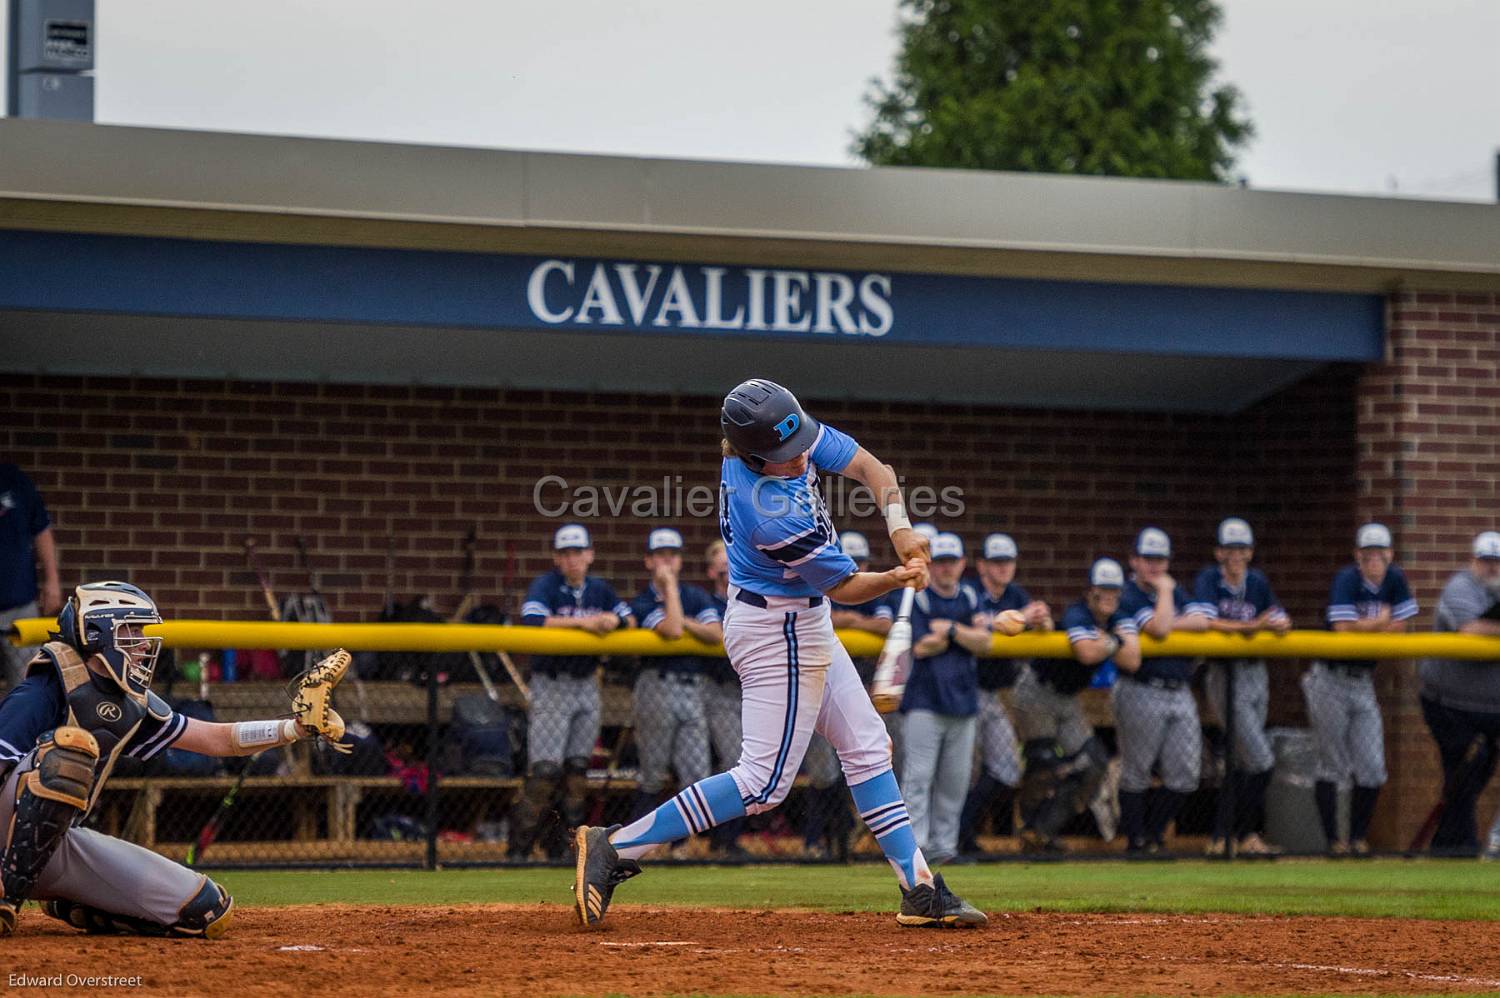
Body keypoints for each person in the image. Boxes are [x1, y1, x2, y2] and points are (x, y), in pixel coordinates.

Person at [573, 378, 984, 929]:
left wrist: (901, 529)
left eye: (798, 448)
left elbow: (873, 470)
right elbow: (848, 588)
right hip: (776, 629)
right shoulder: (767, 512)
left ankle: (920, 889)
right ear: (750, 453)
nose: (799, 461)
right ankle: (616, 847)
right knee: (763, 784)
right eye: (783, 457)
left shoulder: (785, 435)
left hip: (802, 618)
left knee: (867, 746)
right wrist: (896, 576)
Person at [0, 581, 348, 937]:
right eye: (130, 630)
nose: (143, 642)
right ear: (97, 633)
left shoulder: (129, 703)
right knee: (70, 751)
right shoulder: (44, 688)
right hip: (4, 827)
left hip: (50, 846)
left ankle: (70, 898)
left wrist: (296, 728)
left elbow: (216, 740)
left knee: (204, 908)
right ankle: (5, 898)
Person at [512, 524, 633, 859]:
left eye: (578, 552)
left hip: (586, 685)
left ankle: (565, 849)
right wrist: (586, 623)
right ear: (556, 558)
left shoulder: (599, 590)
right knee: (546, 772)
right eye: (565, 553)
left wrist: (612, 620)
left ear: (590, 555)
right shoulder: (546, 585)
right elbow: (534, 620)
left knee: (577, 772)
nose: (572, 559)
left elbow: (629, 619)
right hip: (552, 683)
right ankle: (518, 848)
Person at [1305, 522, 1418, 856]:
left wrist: (1366, 627)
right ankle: (1333, 842)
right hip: (1330, 677)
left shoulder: (1396, 578)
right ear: (1358, 556)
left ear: (1390, 555)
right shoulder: (1347, 579)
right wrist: (1380, 624)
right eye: (1368, 554)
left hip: (1363, 681)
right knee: (1332, 763)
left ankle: (1356, 838)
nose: (1374, 561)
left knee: (1371, 766)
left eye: (1380, 554)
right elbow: (1342, 629)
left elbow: (1403, 627)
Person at [1013, 558, 1137, 852]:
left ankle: (1041, 831)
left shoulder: (1119, 617)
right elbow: (1085, 652)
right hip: (1037, 690)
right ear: (1090, 591)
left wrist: (1106, 643)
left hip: (1068, 699)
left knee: (1094, 763)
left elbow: (1133, 660)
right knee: (1043, 763)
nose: (1107, 597)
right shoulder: (1077, 613)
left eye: (1113, 591)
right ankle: (1026, 829)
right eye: (1101, 590)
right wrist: (1113, 643)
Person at [1186, 518, 1292, 857]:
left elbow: (1277, 616)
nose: (1235, 556)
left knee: (1241, 760)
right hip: (1223, 673)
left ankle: (1224, 837)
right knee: (1259, 759)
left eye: (1241, 549)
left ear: (1250, 553)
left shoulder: (1256, 582)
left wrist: (1277, 622)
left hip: (1254, 673)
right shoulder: (1208, 579)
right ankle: (1243, 834)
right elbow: (1205, 623)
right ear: (1219, 553)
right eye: (1229, 549)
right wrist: (1251, 626)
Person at [1115, 527, 1209, 854]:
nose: (1155, 566)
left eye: (1160, 559)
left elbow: (1201, 621)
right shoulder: (1128, 594)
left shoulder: (1175, 592)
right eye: (1147, 559)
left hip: (1179, 690)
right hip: (1142, 688)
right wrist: (1166, 597)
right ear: (1134, 561)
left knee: (1185, 773)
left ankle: (1154, 834)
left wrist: (1168, 607)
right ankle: (1136, 840)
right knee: (1137, 770)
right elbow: (1160, 628)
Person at [901, 532, 992, 866]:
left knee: (954, 782)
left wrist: (952, 631)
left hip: (964, 702)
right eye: (939, 563)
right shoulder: (919, 597)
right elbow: (922, 646)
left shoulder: (968, 596)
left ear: (962, 564)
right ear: (930, 565)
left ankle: (944, 848)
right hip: (924, 701)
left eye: (952, 562)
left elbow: (985, 643)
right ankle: (915, 849)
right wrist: (964, 636)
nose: (945, 569)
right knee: (919, 778)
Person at [958, 533, 1051, 856]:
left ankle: (961, 830)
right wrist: (1021, 618)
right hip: (964, 690)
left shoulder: (1015, 594)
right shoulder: (969, 590)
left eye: (1007, 562)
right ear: (982, 565)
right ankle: (958, 839)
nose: (1002, 568)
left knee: (1007, 768)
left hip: (996, 694)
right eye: (996, 562)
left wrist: (1039, 619)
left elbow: (1042, 627)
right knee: (963, 773)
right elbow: (987, 622)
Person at [802, 530, 894, 859]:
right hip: (819, 689)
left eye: (862, 561)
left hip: (861, 693)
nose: (857, 566)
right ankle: (817, 840)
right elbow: (825, 617)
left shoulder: (876, 596)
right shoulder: (821, 583)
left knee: (865, 763)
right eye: (851, 559)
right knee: (822, 773)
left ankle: (848, 842)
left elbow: (885, 625)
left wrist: (849, 619)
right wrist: (856, 621)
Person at [626, 528, 722, 822]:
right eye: (660, 556)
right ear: (648, 561)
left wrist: (682, 616)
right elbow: (673, 629)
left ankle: (682, 846)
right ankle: (635, 840)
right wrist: (669, 590)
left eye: (673, 555)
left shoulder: (694, 595)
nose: (667, 562)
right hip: (657, 686)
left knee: (696, 772)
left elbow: (716, 634)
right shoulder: (641, 602)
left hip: (693, 689)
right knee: (653, 773)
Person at [1418, 530, 1500, 856]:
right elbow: (1471, 629)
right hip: (1448, 703)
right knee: (1462, 772)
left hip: (1492, 707)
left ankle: (1448, 843)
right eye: (1486, 561)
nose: (1492, 568)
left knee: (1480, 772)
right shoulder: (1460, 587)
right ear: (1473, 561)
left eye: (1497, 562)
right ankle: (1457, 846)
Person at [700, 539, 750, 857]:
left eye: (730, 557)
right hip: (715, 690)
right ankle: (722, 841)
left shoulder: (748, 598)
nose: (726, 564)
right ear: (710, 569)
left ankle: (728, 840)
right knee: (729, 763)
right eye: (719, 559)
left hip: (748, 690)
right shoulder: (705, 602)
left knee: (743, 766)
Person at [1, 464, 62, 690]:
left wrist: (52, 580)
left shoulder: (13, 480)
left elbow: (41, 529)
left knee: (28, 683)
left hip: (18, 603)